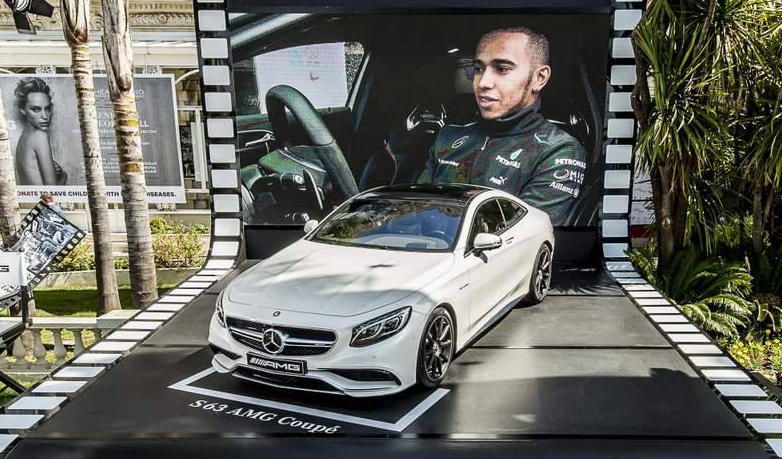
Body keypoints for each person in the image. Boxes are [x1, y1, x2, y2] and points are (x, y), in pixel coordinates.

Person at [418, 27, 587, 226]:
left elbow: (524, 236)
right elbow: (416, 211)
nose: (483, 83)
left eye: (502, 69)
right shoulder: (449, 135)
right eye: (478, 69)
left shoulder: (559, 150)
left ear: (539, 78)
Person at [14, 77, 67, 186]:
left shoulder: (25, 136)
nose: (45, 116)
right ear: (23, 110)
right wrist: (63, 175)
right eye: (36, 109)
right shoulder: (39, 136)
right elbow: (52, 192)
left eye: (47, 109)